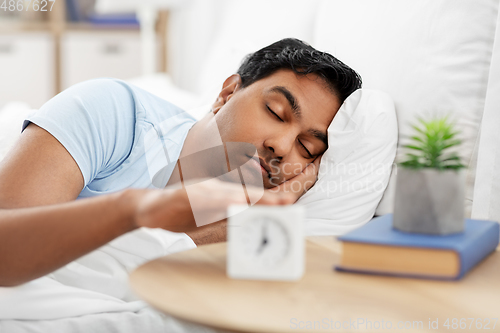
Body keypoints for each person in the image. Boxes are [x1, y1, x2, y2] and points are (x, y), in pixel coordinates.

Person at [0, 38, 362, 287]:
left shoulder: (263, 214)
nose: (282, 147)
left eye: (308, 147)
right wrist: (137, 209)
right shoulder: (110, 111)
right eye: (275, 112)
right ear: (227, 93)